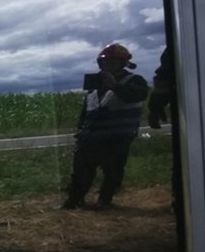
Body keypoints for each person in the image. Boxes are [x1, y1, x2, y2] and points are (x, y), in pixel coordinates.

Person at [63, 43, 149, 210]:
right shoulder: (97, 85)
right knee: (81, 170)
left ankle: (105, 200)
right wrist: (81, 129)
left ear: (122, 63)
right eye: (104, 62)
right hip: (91, 137)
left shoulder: (134, 81)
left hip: (117, 137)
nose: (107, 65)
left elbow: (136, 95)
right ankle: (74, 200)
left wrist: (115, 85)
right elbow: (88, 109)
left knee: (113, 171)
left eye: (112, 62)